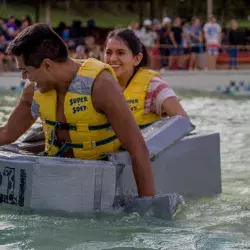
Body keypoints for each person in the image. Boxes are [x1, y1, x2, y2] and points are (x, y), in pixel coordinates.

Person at [3, 23, 156, 197]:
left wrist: (148, 206)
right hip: (54, 174)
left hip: (98, 177)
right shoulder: (33, 91)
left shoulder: (100, 85)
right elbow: (7, 133)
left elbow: (138, 149)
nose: (24, 78)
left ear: (47, 65)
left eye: (25, 71)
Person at [104, 28, 188, 129]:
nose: (112, 59)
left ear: (136, 59)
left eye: (121, 53)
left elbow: (184, 123)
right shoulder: (100, 87)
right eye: (108, 53)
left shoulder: (154, 86)